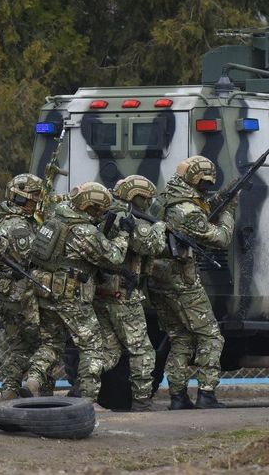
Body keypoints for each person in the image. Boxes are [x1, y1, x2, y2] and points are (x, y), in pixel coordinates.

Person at [23, 182, 129, 403]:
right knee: (91, 346)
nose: (101, 213)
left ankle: (32, 380)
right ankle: (88, 399)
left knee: (50, 343)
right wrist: (124, 234)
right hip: (72, 295)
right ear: (90, 206)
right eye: (99, 208)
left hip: (44, 291)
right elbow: (114, 257)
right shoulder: (83, 230)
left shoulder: (54, 221)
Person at [147, 156, 237, 410]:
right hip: (182, 280)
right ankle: (207, 393)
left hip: (158, 279)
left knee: (180, 338)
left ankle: (178, 397)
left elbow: (203, 207)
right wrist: (229, 212)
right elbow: (220, 238)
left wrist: (223, 198)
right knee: (211, 337)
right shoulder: (189, 211)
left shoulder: (165, 198)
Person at [94, 175, 164, 412]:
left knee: (108, 351)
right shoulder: (127, 219)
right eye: (145, 199)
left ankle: (84, 392)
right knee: (142, 349)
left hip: (100, 292)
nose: (148, 204)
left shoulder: (102, 214)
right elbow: (149, 246)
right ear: (136, 197)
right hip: (123, 294)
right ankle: (142, 401)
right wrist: (160, 228)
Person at [0, 173, 44, 400]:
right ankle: (36, 386)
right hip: (21, 294)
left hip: (5, 292)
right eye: (33, 197)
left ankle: (9, 390)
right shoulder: (19, 227)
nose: (36, 201)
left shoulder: (2, 223)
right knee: (43, 342)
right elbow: (32, 258)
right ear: (20, 198)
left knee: (18, 346)